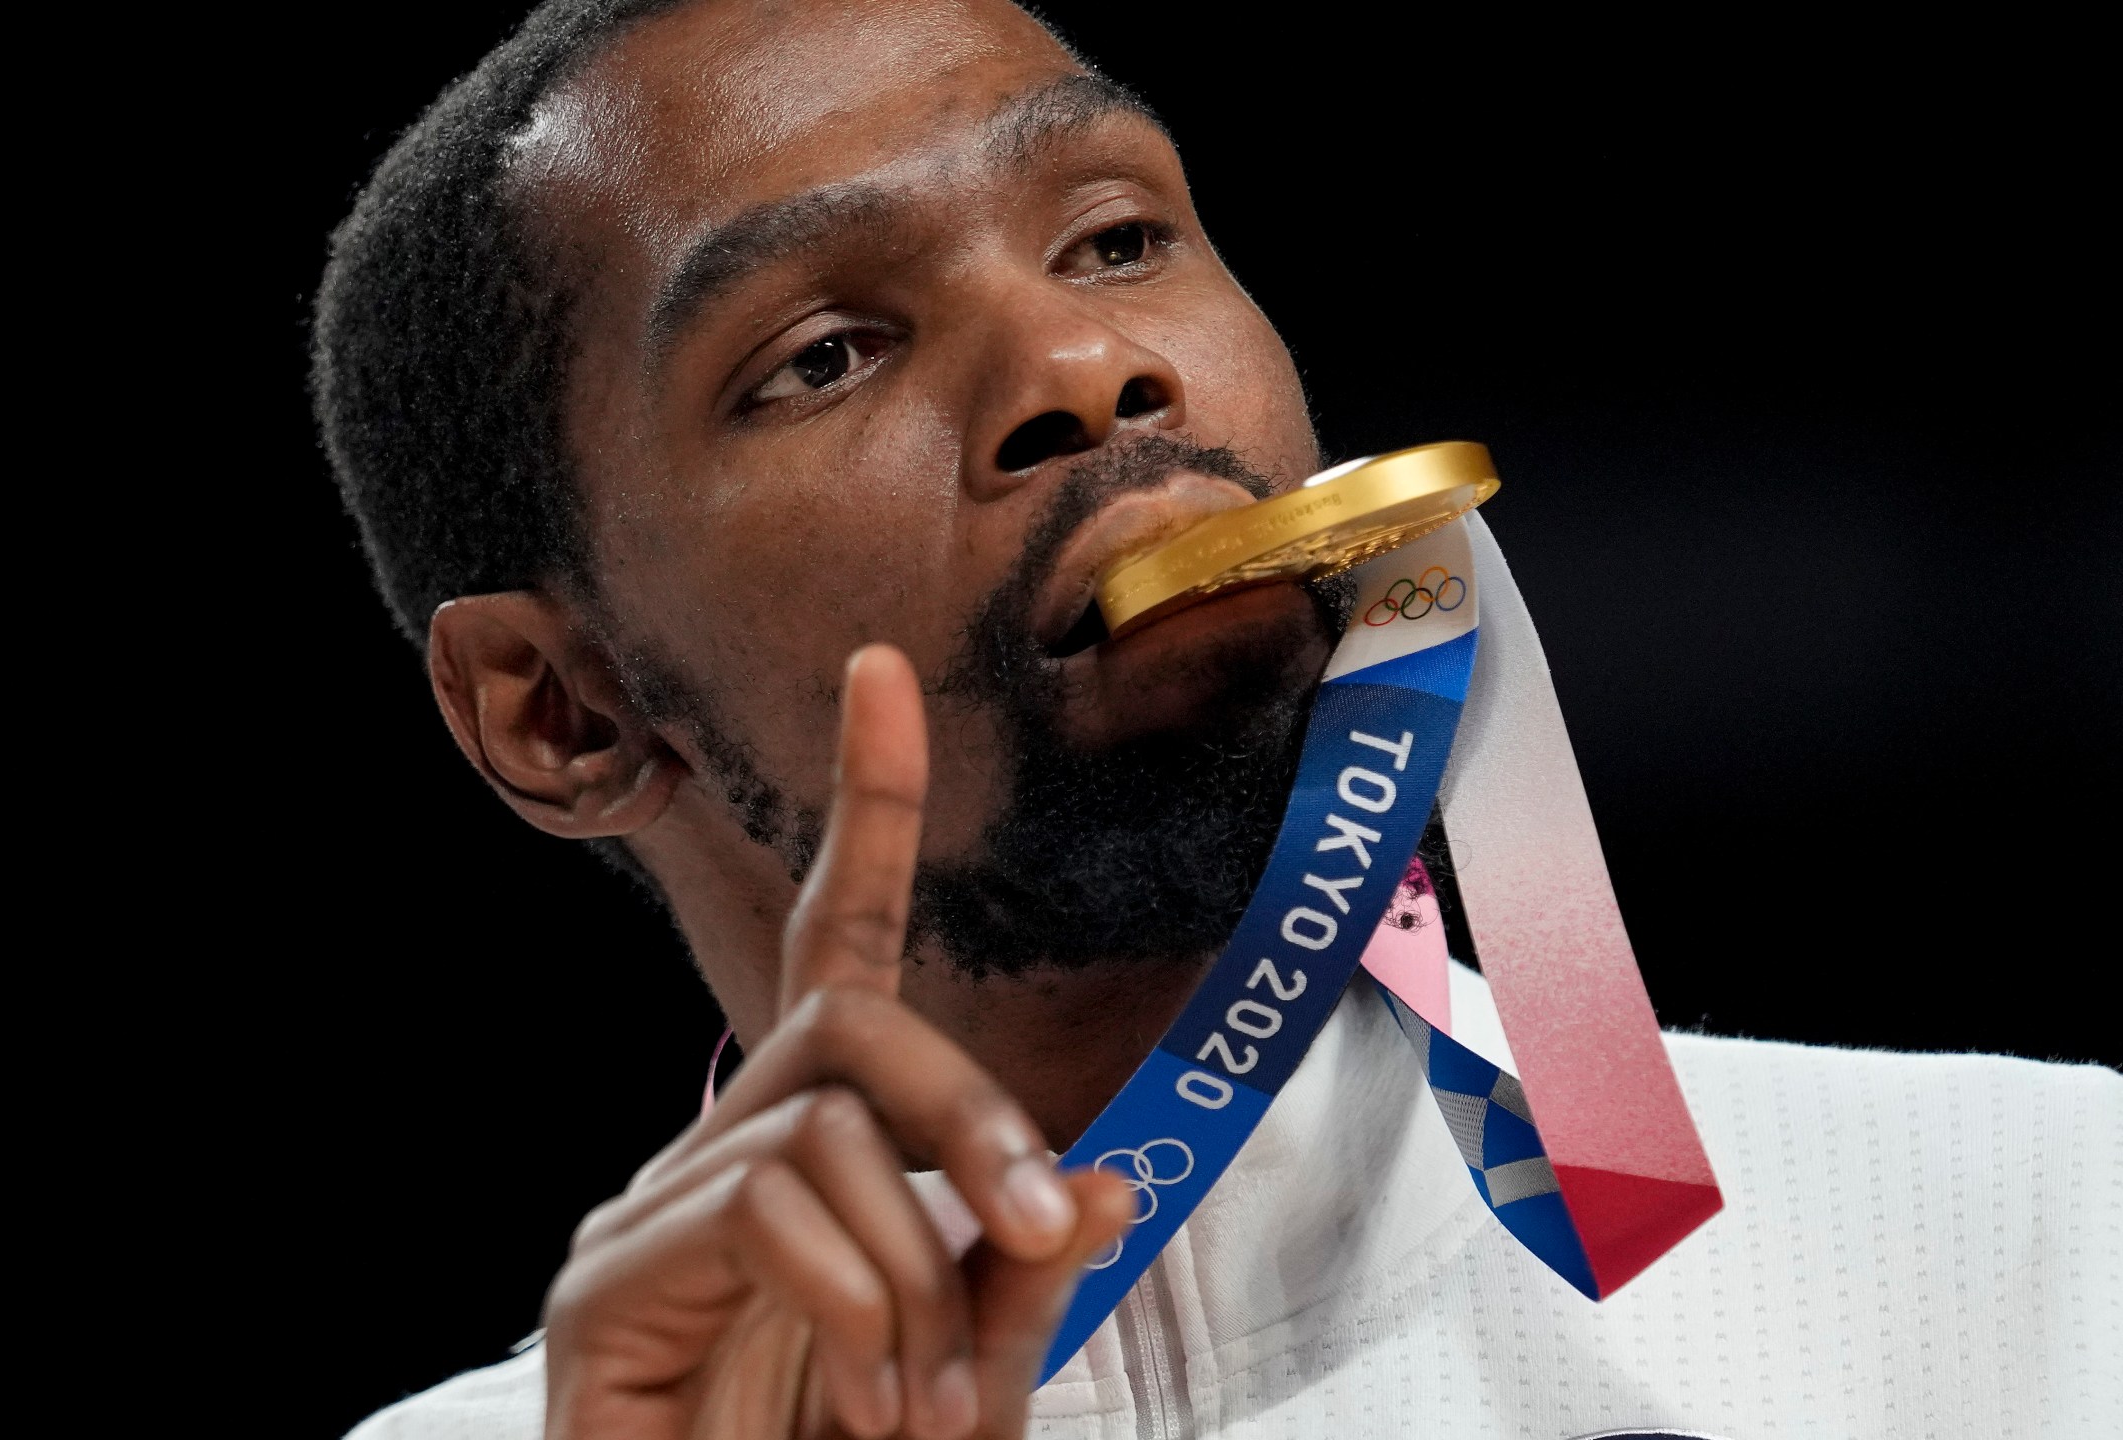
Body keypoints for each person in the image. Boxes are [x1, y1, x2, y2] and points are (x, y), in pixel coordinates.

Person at [310, 1, 2122, 1435]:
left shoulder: (2041, 1242)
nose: (1089, 371)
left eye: (1112, 238)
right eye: (826, 355)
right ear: (563, 713)